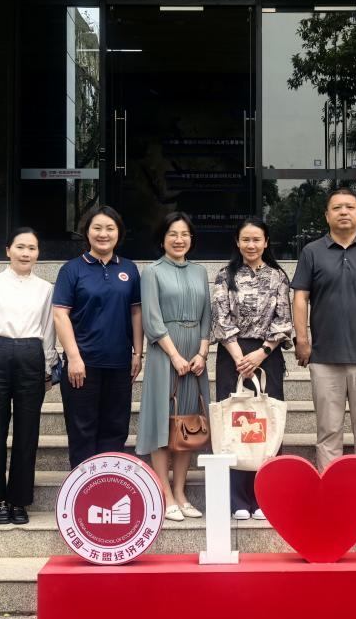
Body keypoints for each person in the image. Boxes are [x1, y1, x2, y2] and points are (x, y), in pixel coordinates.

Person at [292, 188, 356, 523]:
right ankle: (331, 497)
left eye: (350, 207)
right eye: (337, 207)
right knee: (328, 433)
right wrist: (302, 339)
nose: (343, 212)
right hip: (324, 357)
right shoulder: (312, 252)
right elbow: (300, 298)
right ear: (327, 215)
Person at [0, 226, 58, 525]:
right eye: (20, 247)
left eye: (32, 248)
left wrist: (48, 367)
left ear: (38, 253)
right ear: (8, 250)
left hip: (31, 356)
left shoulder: (46, 288)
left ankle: (19, 500)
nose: (26, 253)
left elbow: (49, 331)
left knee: (27, 432)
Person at [211, 217, 294, 521]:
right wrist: (239, 357)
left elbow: (283, 320)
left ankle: (264, 497)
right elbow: (220, 318)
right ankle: (236, 498)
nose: (251, 245)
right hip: (231, 355)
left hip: (267, 355)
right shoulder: (225, 275)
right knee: (234, 424)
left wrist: (261, 353)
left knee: (265, 424)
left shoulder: (278, 277)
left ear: (266, 242)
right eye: (245, 239)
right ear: (237, 242)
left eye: (257, 239)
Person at [53, 206, 143, 468]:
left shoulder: (129, 269)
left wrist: (137, 353)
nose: (103, 234)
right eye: (97, 228)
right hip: (83, 365)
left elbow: (136, 312)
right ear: (87, 232)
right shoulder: (72, 269)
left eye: (110, 228)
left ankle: (108, 483)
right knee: (82, 431)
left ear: (119, 233)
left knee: (115, 429)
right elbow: (60, 315)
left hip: (119, 364)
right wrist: (73, 357)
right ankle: (84, 487)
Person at [135, 212, 212, 521]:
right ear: (162, 238)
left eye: (184, 234)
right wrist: (175, 356)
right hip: (164, 354)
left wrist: (202, 353)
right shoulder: (152, 272)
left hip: (195, 355)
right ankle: (164, 494)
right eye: (172, 234)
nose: (179, 240)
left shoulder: (200, 272)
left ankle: (181, 492)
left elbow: (207, 316)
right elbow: (152, 319)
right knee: (162, 422)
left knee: (188, 423)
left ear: (191, 238)